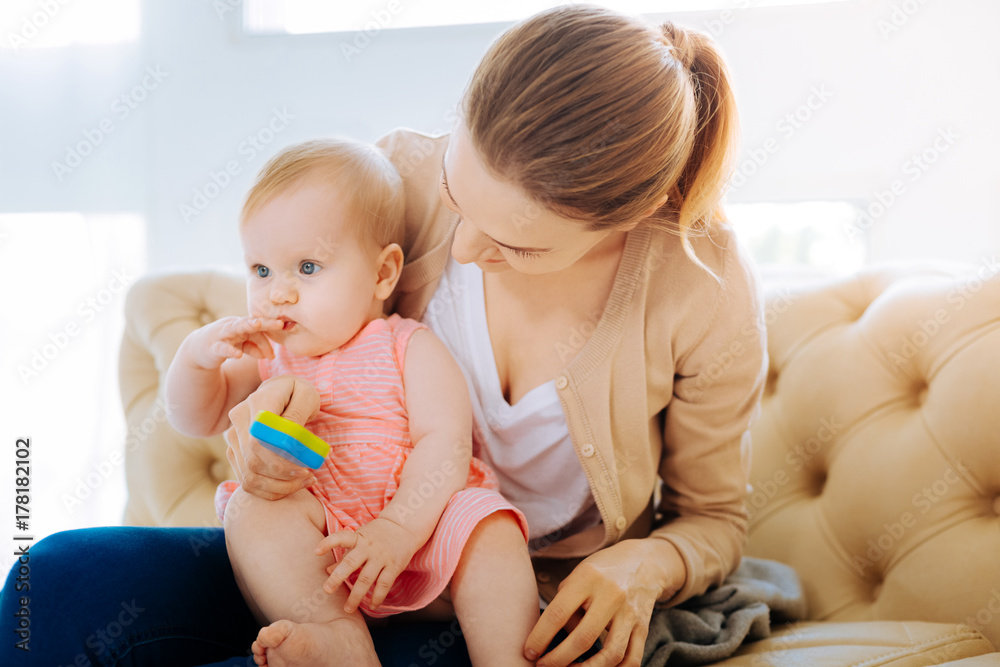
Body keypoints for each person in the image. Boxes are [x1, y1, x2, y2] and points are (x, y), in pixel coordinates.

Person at [0, 5, 766, 667]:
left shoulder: (701, 287)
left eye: (517, 246)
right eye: (457, 198)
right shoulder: (397, 174)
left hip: (501, 591)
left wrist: (645, 563)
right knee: (59, 580)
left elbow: (715, 519)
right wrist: (264, 440)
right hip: (335, 553)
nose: (465, 251)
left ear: (628, 218)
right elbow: (299, 343)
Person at [162, 137, 538, 666]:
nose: (278, 293)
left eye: (308, 268)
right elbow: (194, 418)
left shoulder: (407, 344)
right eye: (261, 271)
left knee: (489, 526)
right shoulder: (266, 356)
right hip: (325, 551)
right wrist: (195, 360)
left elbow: (446, 442)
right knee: (254, 511)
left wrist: (398, 530)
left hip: (427, 541)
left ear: (383, 274)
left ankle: (505, 657)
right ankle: (338, 635)